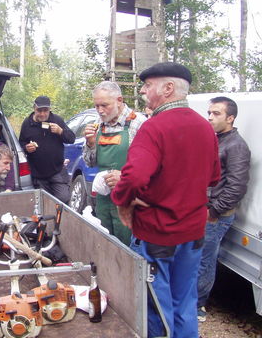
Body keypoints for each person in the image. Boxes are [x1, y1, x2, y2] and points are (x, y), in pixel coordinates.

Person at [111, 62, 221, 338]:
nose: (144, 92)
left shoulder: (154, 128)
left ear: (168, 88)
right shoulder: (205, 128)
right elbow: (213, 178)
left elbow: (134, 177)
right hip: (194, 232)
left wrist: (122, 201)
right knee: (185, 300)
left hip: (158, 232)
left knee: (155, 303)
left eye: (148, 86)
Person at [197, 96, 250, 322]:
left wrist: (213, 212)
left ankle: (197, 306)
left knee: (204, 260)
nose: (209, 117)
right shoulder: (215, 139)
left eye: (216, 113)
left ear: (230, 118)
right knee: (194, 257)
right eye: (209, 112)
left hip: (215, 216)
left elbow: (237, 187)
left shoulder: (236, 146)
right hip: (202, 210)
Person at [83, 81, 146, 245]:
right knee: (105, 243)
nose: (100, 110)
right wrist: (90, 143)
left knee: (127, 247)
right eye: (96, 106)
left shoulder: (138, 123)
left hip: (129, 198)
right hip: (104, 198)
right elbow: (89, 163)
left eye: (104, 105)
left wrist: (125, 177)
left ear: (119, 100)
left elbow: (149, 166)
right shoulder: (98, 125)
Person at [19, 95, 75, 203]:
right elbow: (21, 143)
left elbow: (71, 139)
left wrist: (61, 131)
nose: (43, 114)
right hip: (38, 174)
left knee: (64, 199)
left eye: (46, 110)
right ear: (34, 108)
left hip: (57, 170)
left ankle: (61, 219)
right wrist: (26, 148)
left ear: (50, 109)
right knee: (44, 203)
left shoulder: (57, 120)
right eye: (39, 110)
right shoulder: (27, 124)